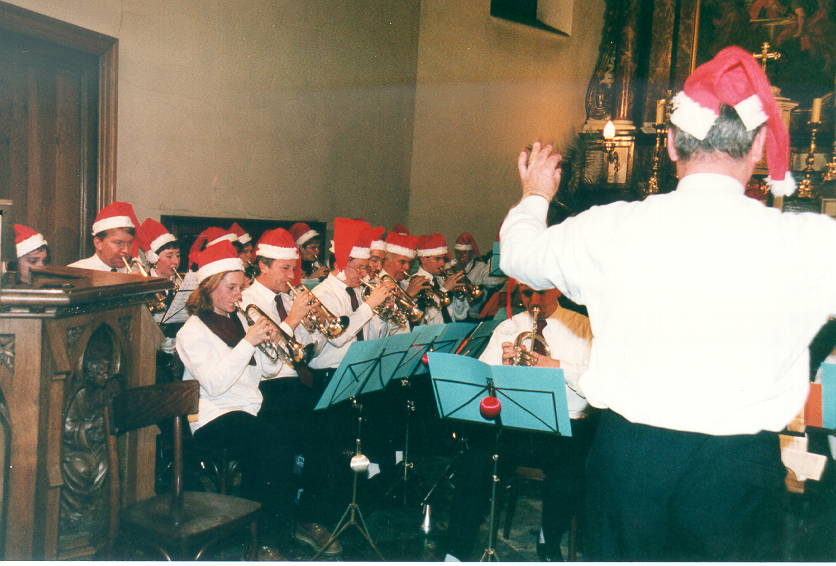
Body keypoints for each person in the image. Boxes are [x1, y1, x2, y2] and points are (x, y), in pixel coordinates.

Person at [499, 46, 836, 561]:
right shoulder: (811, 242)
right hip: (738, 471)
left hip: (630, 464)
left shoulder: (611, 228)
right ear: (760, 145)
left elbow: (521, 256)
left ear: (673, 146)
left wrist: (536, 194)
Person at [445, 282, 595, 561]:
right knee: (472, 465)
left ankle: (548, 539)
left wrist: (555, 365)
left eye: (542, 292)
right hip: (514, 425)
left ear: (559, 291)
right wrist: (501, 369)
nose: (534, 300)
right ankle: (455, 552)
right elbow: (481, 381)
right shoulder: (509, 327)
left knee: (569, 480)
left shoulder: (583, 326)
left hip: (567, 427)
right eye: (526, 293)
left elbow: (594, 387)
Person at [175, 239, 285, 558]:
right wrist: (249, 342)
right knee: (269, 442)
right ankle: (259, 538)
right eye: (233, 288)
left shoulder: (238, 320)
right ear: (210, 287)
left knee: (290, 428)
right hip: (212, 415)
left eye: (242, 288)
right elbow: (216, 384)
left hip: (247, 407)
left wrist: (271, 344)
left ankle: (274, 526)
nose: (240, 295)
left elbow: (266, 370)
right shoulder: (191, 332)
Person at [238, 228, 340, 555]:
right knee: (276, 448)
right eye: (284, 269)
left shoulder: (287, 299)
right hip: (261, 390)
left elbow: (311, 349)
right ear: (262, 266)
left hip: (296, 382)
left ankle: (309, 519)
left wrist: (312, 327)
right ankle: (265, 537)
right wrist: (293, 319)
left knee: (327, 434)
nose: (292, 276)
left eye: (293, 269)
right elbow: (264, 362)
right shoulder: (247, 300)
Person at [411, 233, 468, 324]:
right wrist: (444, 290)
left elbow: (460, 316)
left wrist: (459, 296)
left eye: (443, 259)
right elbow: (424, 318)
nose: (442, 263)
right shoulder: (415, 282)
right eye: (437, 259)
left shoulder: (441, 280)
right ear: (423, 259)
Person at [69, 201, 139, 272]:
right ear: (98, 243)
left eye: (130, 242)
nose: (126, 250)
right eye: (118, 243)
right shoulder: (77, 270)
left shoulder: (133, 271)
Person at [452, 232, 507, 318]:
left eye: (464, 253)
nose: (461, 256)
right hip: (453, 313)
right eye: (458, 253)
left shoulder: (481, 268)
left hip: (474, 314)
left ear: (472, 253)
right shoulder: (450, 266)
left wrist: (464, 278)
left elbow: (492, 281)